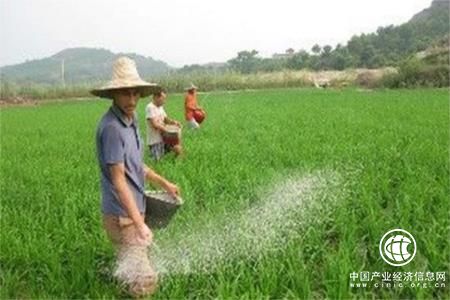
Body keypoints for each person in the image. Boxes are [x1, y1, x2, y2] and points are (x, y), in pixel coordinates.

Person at [92, 56, 179, 297]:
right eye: (124, 94)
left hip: (133, 210)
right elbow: (119, 179)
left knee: (134, 273)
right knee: (145, 281)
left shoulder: (130, 121)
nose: (131, 100)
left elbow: (135, 165)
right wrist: (139, 224)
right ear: (114, 95)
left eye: (135, 94)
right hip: (123, 216)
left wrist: (165, 183)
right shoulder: (111, 128)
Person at [146, 89, 182, 160]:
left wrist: (173, 122)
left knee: (178, 149)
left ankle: (175, 163)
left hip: (165, 138)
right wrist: (167, 129)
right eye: (163, 99)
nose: (164, 101)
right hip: (155, 140)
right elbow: (154, 124)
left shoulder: (160, 107)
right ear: (156, 97)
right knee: (157, 160)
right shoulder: (150, 107)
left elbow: (165, 119)